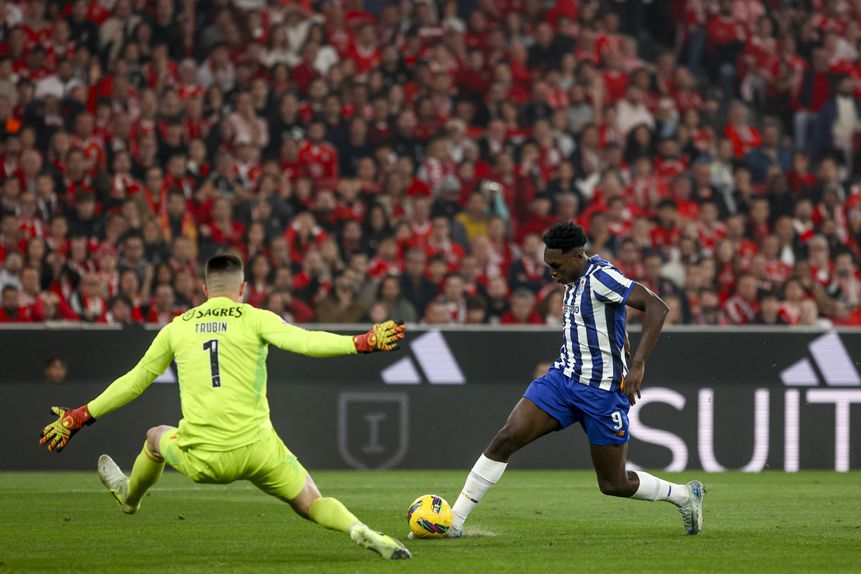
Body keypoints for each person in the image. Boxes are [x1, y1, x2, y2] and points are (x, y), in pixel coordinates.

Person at [39, 254, 412, 561]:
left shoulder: (177, 327)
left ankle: (129, 497)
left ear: (204, 290)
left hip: (204, 457)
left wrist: (81, 416)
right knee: (312, 502)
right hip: (259, 450)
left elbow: (134, 382)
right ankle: (357, 528)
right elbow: (306, 342)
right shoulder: (255, 317)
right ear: (242, 289)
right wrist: (360, 342)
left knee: (155, 437)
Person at [444, 222, 705, 538]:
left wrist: (637, 365)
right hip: (562, 380)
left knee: (614, 483)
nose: (552, 272)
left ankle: (684, 496)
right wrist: (620, 337)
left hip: (602, 393)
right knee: (506, 438)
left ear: (577, 255)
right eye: (548, 265)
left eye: (556, 265)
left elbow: (657, 307)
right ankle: (453, 521)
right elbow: (603, 319)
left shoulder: (602, 277)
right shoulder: (572, 278)